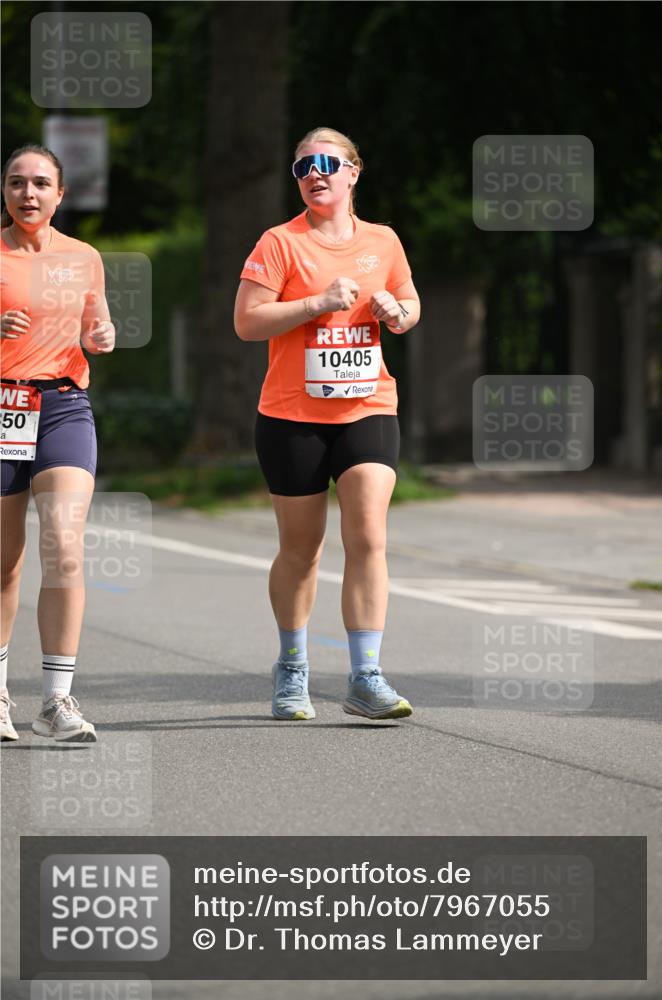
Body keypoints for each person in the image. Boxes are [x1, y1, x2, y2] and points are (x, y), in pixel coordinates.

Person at [234, 126, 421, 721]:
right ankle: (292, 668)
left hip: (368, 405)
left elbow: (409, 302)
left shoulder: (383, 240)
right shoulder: (279, 243)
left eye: (326, 163)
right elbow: (247, 321)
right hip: (292, 415)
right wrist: (315, 304)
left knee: (368, 536)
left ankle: (366, 676)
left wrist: (398, 312)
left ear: (353, 172)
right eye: (303, 167)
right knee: (302, 549)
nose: (315, 174)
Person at [0, 145, 115, 743]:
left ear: (60, 194)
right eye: (16, 182)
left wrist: (103, 333)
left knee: (65, 547)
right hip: (0, 407)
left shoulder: (83, 258)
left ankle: (56, 700)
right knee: (4, 561)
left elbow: (97, 327)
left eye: (40, 183)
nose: (28, 194)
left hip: (63, 407)